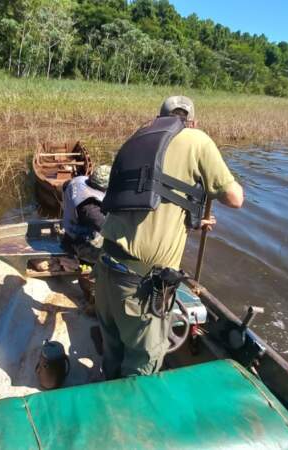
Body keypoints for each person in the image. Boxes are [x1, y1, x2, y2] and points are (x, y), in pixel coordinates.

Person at [95, 96, 244, 379]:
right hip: (140, 284)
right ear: (193, 122)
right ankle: (129, 404)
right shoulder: (197, 138)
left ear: (159, 118)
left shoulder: (139, 138)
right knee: (142, 366)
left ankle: (108, 387)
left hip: (105, 267)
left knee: (112, 350)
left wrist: (194, 219)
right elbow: (235, 198)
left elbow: (147, 199)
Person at [61, 165, 111, 311]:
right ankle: (93, 291)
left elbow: (64, 186)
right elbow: (107, 229)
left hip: (69, 232)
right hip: (80, 243)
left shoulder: (78, 180)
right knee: (110, 256)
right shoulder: (90, 208)